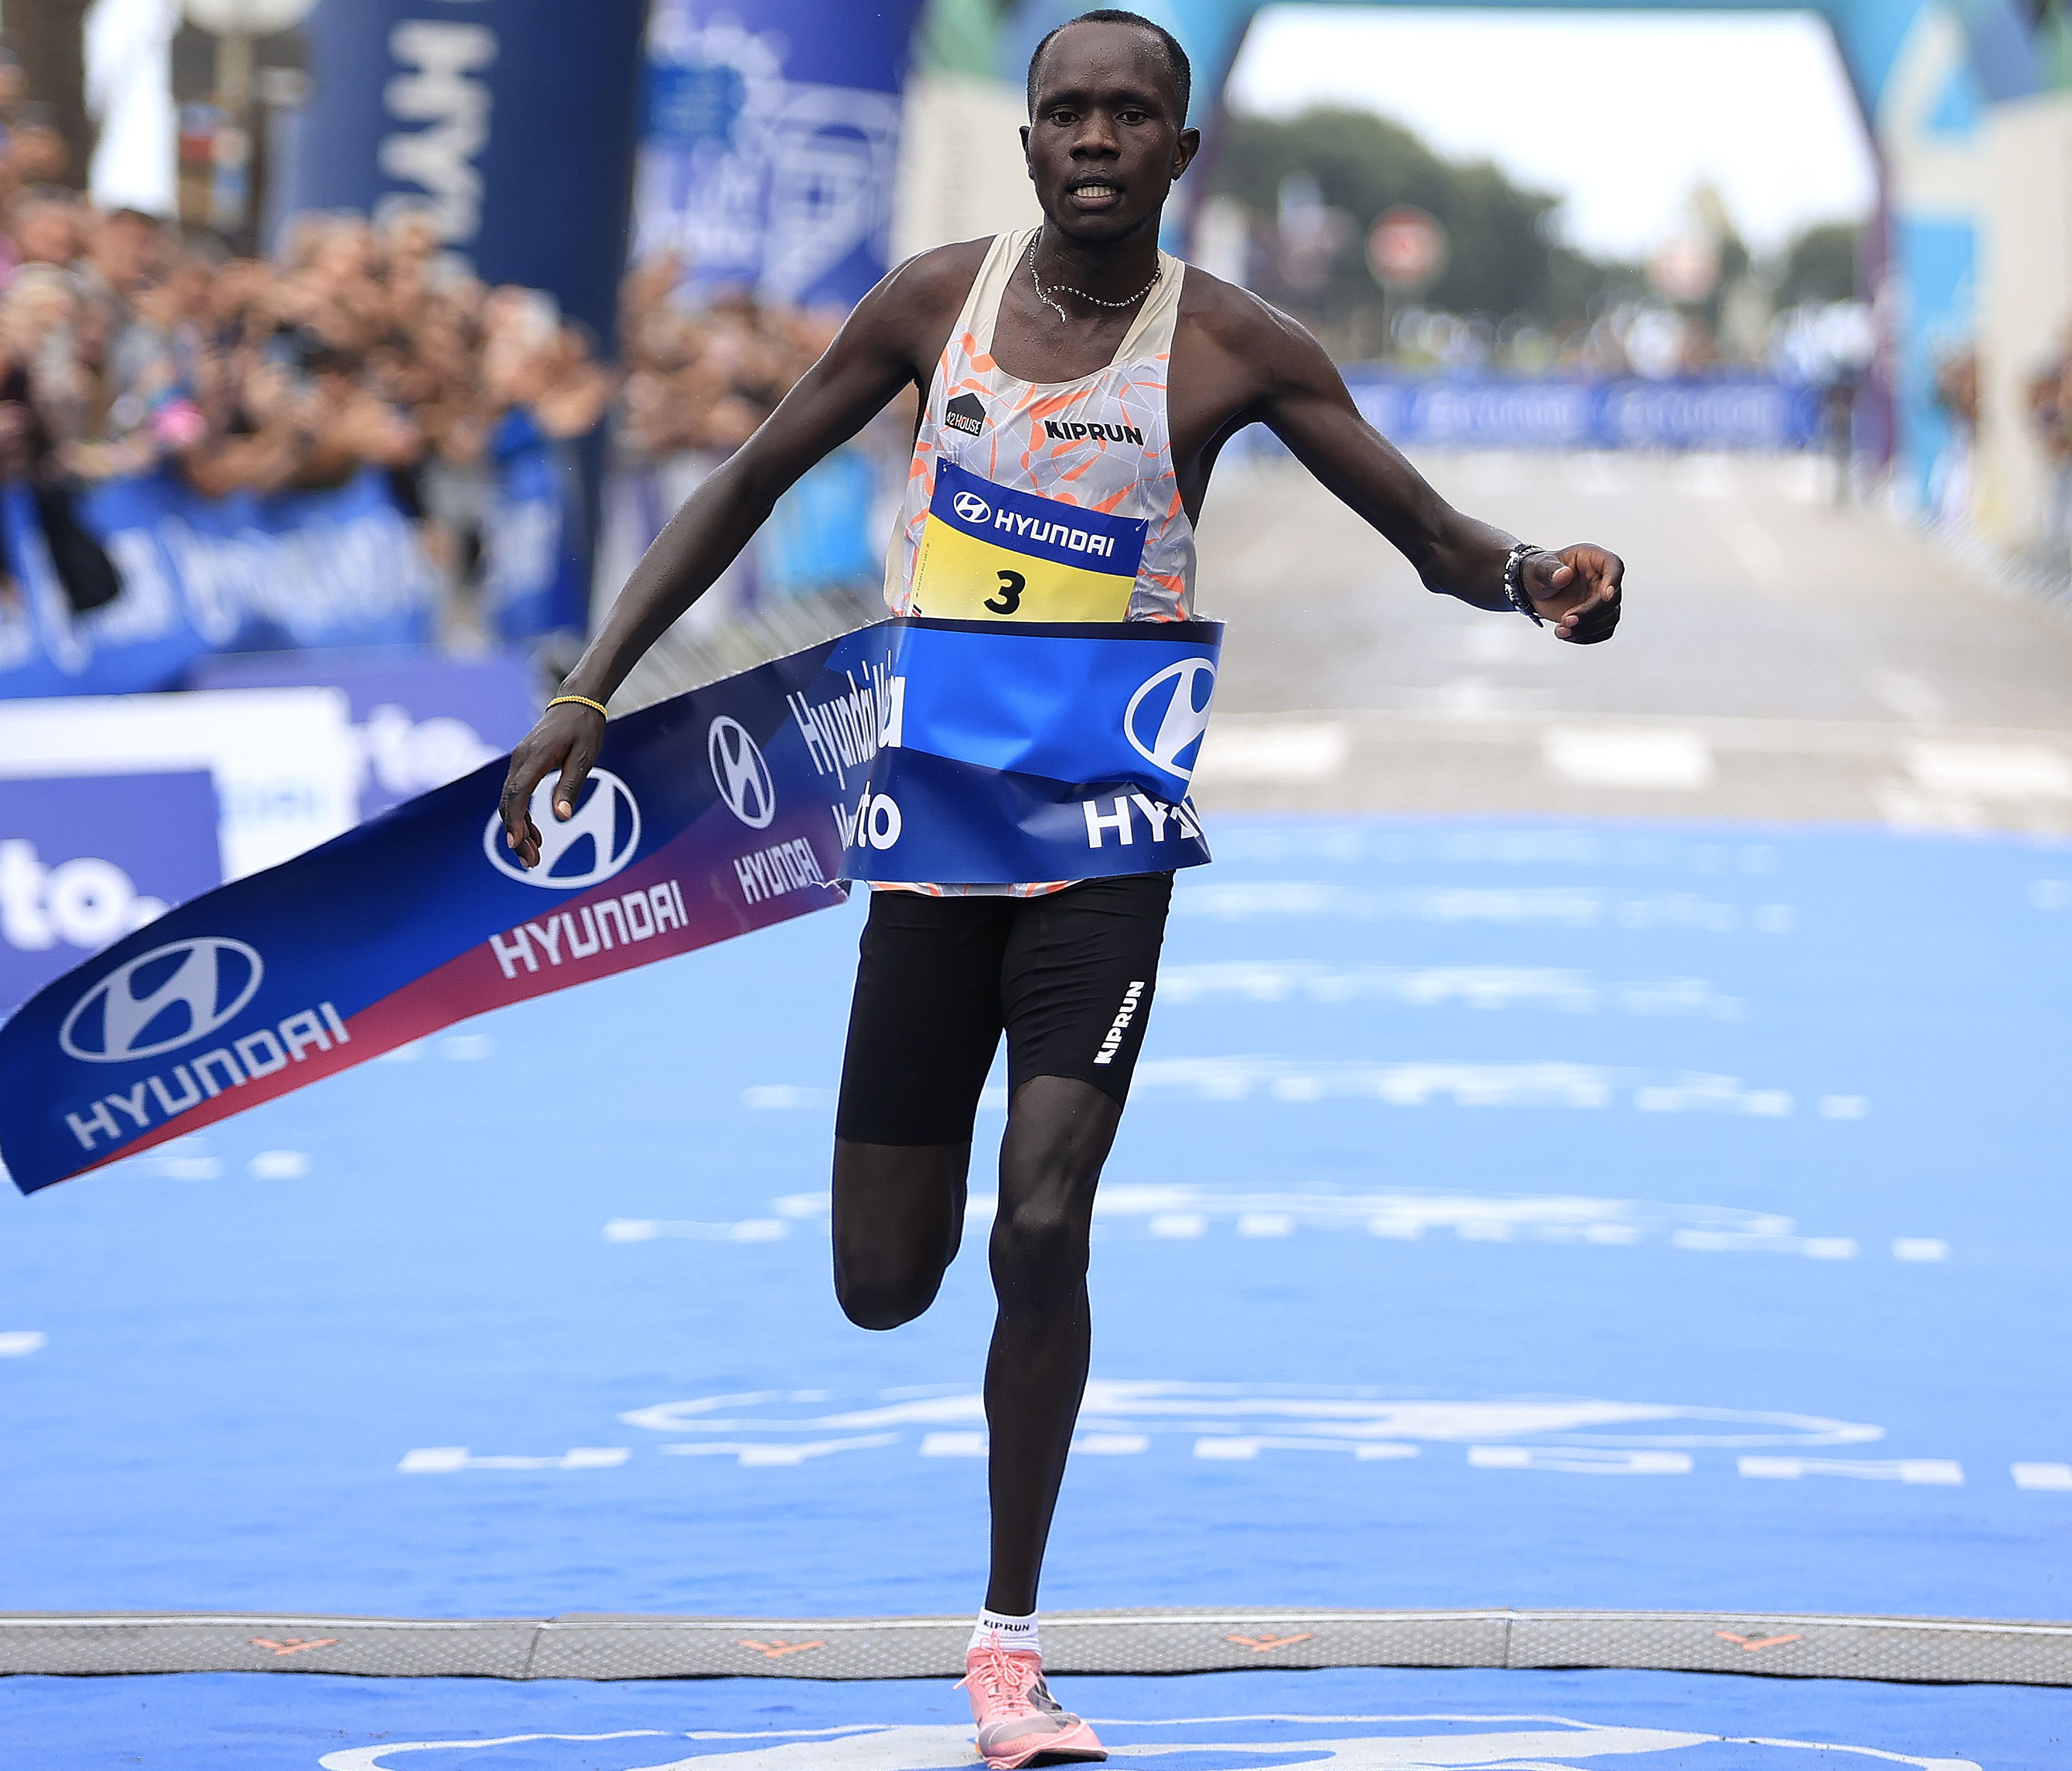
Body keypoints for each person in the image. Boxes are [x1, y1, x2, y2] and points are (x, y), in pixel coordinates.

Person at [496, 11, 1623, 1768]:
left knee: (1043, 1221)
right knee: (886, 1276)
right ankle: (943, 1320)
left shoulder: (1237, 351)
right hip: (930, 843)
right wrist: (590, 688)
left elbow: (1427, 542)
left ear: (1182, 155)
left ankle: (1007, 1647)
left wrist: (1536, 576)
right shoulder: (920, 308)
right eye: (1066, 111)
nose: (1096, 136)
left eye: (1132, 115)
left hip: (1101, 845)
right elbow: (743, 483)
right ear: (1030, 142)